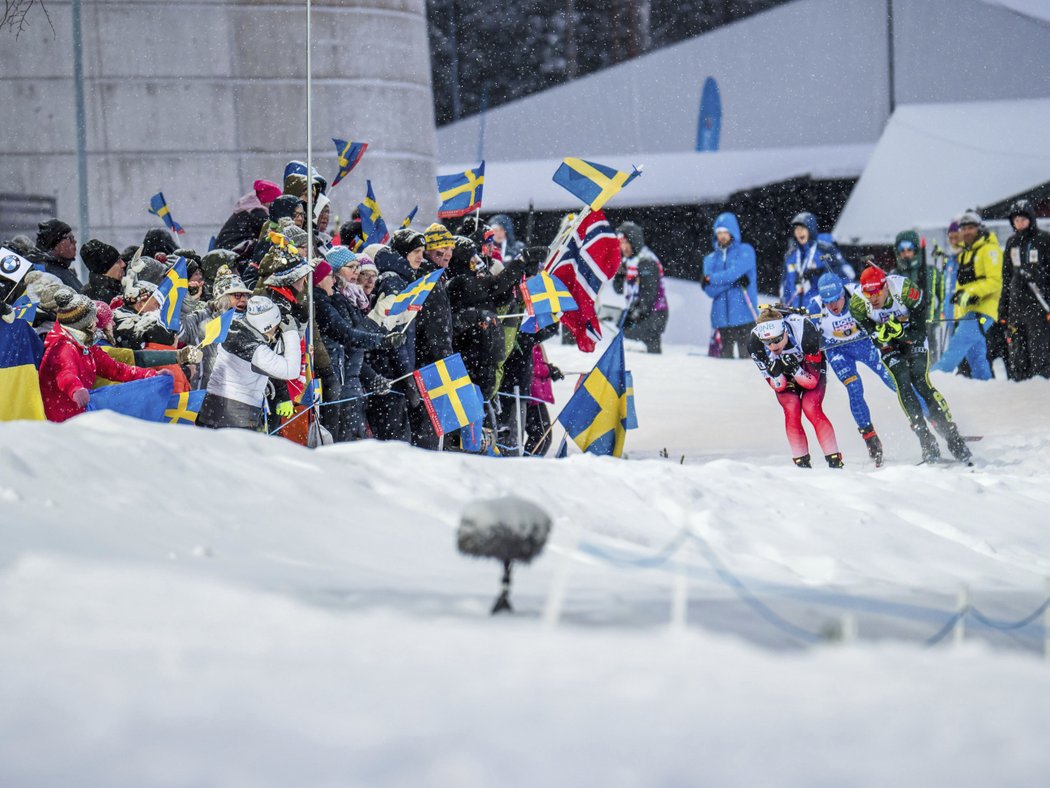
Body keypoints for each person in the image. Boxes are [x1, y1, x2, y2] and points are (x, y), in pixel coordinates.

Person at [850, 266, 972, 464]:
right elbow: (870, 332)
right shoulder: (857, 303)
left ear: (886, 286)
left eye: (877, 292)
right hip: (890, 343)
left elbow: (920, 333)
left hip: (912, 337)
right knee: (903, 383)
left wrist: (902, 334)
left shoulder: (905, 290)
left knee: (920, 381)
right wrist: (880, 337)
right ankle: (926, 441)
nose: (873, 298)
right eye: (868, 293)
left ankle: (953, 438)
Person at [38, 288, 163, 422]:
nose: (97, 323)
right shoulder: (63, 348)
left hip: (78, 413)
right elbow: (65, 374)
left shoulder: (86, 346)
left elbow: (115, 369)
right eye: (93, 319)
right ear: (82, 324)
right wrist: (75, 389)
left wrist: (151, 375)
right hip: (60, 420)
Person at [812, 272, 897, 466]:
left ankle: (932, 417)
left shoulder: (857, 294)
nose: (833, 305)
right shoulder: (815, 306)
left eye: (836, 299)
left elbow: (884, 299)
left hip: (863, 345)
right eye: (828, 301)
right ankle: (871, 439)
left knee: (894, 381)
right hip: (838, 351)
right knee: (855, 389)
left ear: (843, 293)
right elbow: (802, 330)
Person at [748, 307, 842, 468]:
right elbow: (777, 386)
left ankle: (834, 460)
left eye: (777, 340)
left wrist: (796, 370)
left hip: (808, 368)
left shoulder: (804, 330)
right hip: (787, 372)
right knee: (791, 409)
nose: (772, 346)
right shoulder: (754, 342)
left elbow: (812, 382)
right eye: (767, 342)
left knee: (811, 407)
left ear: (785, 331)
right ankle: (802, 463)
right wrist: (776, 374)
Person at [197, 296, 301, 430]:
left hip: (212, 407)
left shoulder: (235, 329)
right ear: (267, 325)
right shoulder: (252, 347)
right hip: (236, 414)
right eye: (276, 327)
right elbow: (291, 371)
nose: (276, 332)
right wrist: (290, 333)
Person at [930, 211, 1001, 380]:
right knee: (976, 358)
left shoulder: (989, 250)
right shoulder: (967, 253)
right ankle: (988, 391)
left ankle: (929, 385)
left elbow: (995, 282)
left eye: (970, 228)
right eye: (964, 229)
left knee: (954, 349)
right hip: (968, 313)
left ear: (979, 228)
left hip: (982, 313)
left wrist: (970, 293)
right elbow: (960, 286)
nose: (967, 232)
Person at [999, 200, 1050, 379]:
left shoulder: (1044, 240)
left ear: (1031, 219)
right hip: (1016, 307)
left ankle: (1042, 387)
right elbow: (1006, 278)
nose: (1019, 223)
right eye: (1016, 220)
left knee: (1040, 352)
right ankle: (1021, 389)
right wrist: (1003, 310)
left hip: (1039, 306)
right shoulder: (1012, 243)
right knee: (1018, 354)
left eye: (1023, 219)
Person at [701, 212, 758, 358]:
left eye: (725, 231)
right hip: (720, 320)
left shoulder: (746, 251)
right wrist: (734, 281)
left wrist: (711, 279)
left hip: (745, 317)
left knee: (749, 364)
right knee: (722, 368)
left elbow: (732, 273)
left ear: (733, 231)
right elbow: (709, 291)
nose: (722, 236)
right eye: (718, 232)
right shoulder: (710, 259)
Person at [613, 221, 669, 353]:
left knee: (644, 350)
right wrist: (619, 276)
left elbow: (649, 295)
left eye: (626, 243)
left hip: (654, 313)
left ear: (635, 241)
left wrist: (632, 315)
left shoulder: (646, 261)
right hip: (639, 312)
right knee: (628, 345)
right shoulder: (628, 261)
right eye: (621, 243)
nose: (623, 247)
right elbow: (619, 290)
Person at [781, 212, 854, 311]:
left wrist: (823, 274)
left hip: (823, 312)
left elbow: (848, 274)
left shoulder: (826, 249)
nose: (799, 232)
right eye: (796, 229)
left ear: (810, 229)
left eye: (802, 228)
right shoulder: (790, 256)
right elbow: (785, 288)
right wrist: (786, 309)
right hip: (797, 314)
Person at [214, 179, 281, 258]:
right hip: (231, 254)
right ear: (268, 202)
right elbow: (276, 231)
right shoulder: (257, 213)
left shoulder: (247, 210)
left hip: (224, 251)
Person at [31, 220, 83, 291]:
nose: (74, 241)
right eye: (70, 238)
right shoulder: (46, 273)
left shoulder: (59, 269)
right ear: (55, 245)